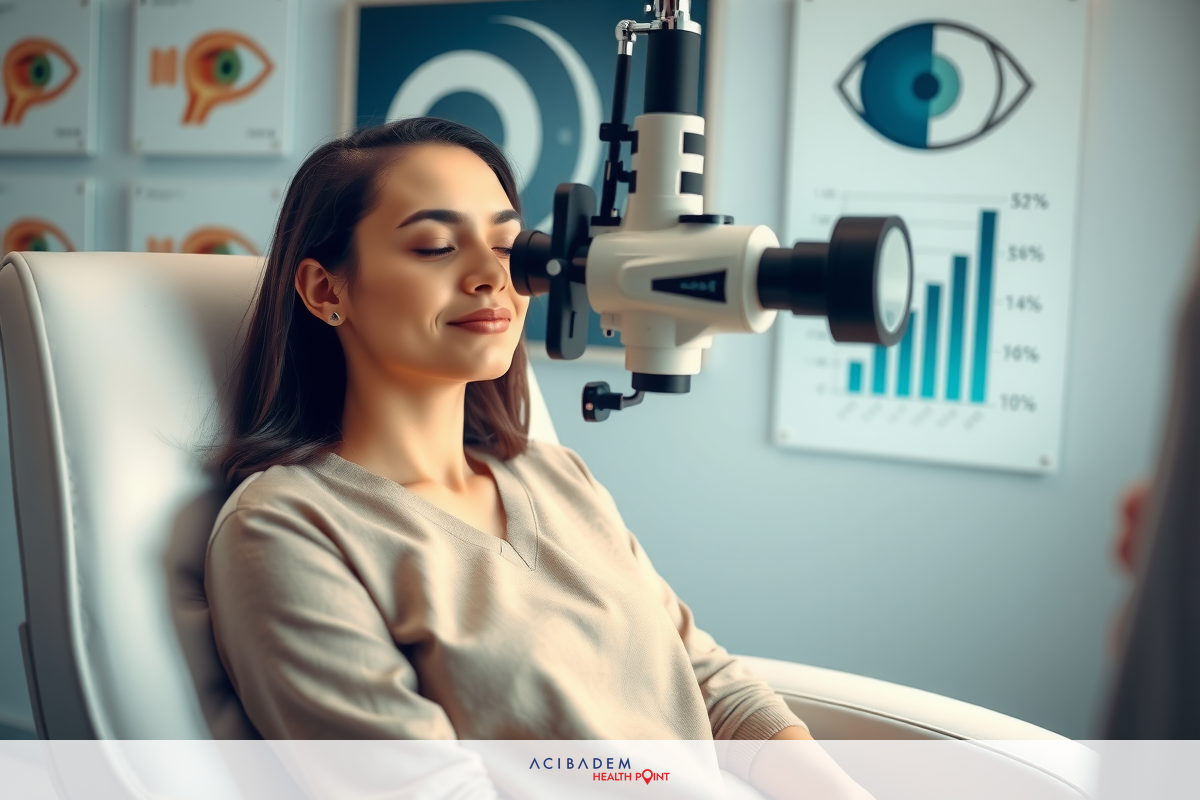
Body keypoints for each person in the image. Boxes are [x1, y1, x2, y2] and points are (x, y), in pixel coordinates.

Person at [204, 117, 872, 799]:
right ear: (326, 291)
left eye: (508, 245)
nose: (492, 275)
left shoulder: (555, 476)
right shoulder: (287, 528)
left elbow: (709, 685)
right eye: (435, 246)